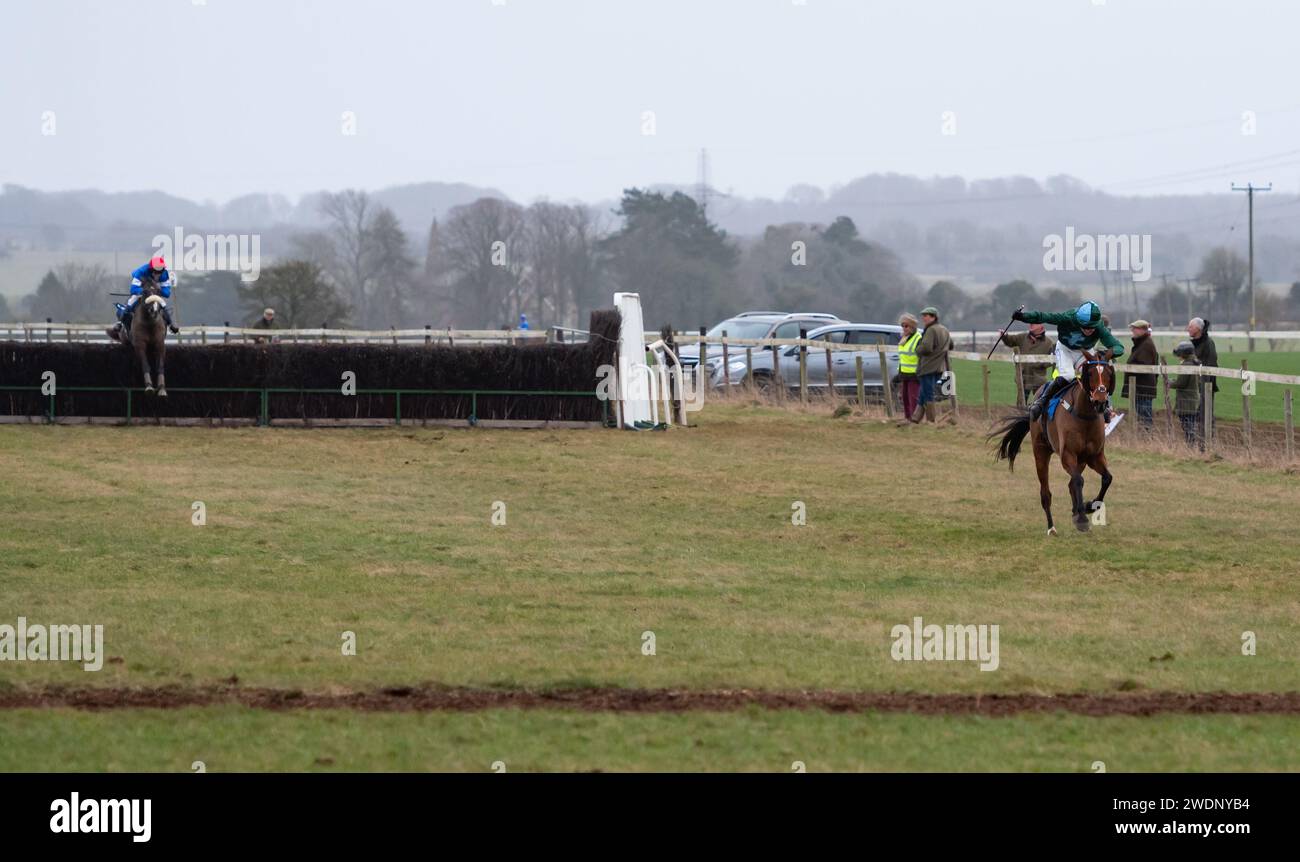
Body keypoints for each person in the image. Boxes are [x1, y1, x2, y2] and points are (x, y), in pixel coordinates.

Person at [1014, 301, 1125, 428]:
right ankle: (1041, 402)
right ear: (1079, 322)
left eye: (1092, 327)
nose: (1089, 330)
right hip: (1065, 349)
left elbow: (1118, 347)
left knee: (1094, 375)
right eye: (1086, 327)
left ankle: (1103, 407)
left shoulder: (1099, 326)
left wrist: (1106, 354)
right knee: (1067, 376)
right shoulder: (1068, 318)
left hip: (1085, 351)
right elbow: (1044, 316)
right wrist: (1023, 317)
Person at [111, 254, 179, 340]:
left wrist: (157, 291)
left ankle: (171, 324)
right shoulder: (141, 272)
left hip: (154, 292)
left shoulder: (164, 274)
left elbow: (167, 293)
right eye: (155, 271)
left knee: (163, 304)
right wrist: (144, 292)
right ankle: (120, 323)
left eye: (159, 272)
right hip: (142, 291)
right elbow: (133, 289)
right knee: (131, 302)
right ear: (151, 269)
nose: (157, 274)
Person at [913, 306, 953, 424]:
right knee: (923, 392)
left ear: (933, 317)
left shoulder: (931, 330)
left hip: (928, 366)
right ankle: (916, 418)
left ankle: (931, 420)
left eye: (926, 316)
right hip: (939, 367)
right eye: (923, 316)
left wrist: (917, 349)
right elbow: (951, 345)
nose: (924, 318)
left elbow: (926, 348)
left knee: (928, 393)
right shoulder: (944, 329)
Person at [1001, 322, 1054, 405]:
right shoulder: (1022, 337)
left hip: (1038, 379)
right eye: (1030, 323)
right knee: (1021, 404)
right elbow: (1011, 341)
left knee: (1040, 403)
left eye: (1034, 323)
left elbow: (1052, 360)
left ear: (1041, 326)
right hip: (1023, 378)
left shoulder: (1049, 342)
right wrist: (1004, 336)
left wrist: (1040, 364)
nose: (1031, 324)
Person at [1122, 319, 1159, 430]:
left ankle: (1147, 438)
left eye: (1135, 328)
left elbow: (1143, 366)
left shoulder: (1146, 345)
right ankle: (1145, 437)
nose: (1132, 330)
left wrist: (1130, 367)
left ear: (1143, 330)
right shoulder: (1142, 343)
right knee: (1142, 416)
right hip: (1140, 388)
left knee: (1145, 417)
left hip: (1143, 389)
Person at [1187, 317, 1217, 444]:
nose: (1188, 329)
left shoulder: (1208, 343)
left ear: (1198, 329)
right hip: (1194, 385)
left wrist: (1204, 385)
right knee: (1195, 414)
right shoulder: (1194, 343)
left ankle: (1206, 441)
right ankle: (1196, 441)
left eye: (1190, 327)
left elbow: (1210, 365)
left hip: (1205, 385)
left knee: (1205, 414)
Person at [1168, 340, 1202, 449]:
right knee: (1191, 426)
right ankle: (1192, 447)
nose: (1178, 356)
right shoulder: (1195, 363)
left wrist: (1170, 383)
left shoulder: (1186, 365)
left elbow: (1181, 383)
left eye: (1180, 353)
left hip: (1186, 402)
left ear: (1184, 353)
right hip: (1193, 400)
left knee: (1188, 427)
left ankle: (1190, 448)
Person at [896, 313, 922, 423]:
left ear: (912, 327)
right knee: (905, 397)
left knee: (913, 398)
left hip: (914, 374)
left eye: (906, 326)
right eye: (902, 326)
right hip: (904, 373)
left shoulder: (918, 339)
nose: (904, 328)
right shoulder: (904, 338)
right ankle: (907, 418)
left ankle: (914, 420)